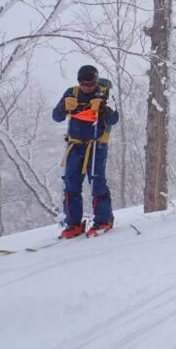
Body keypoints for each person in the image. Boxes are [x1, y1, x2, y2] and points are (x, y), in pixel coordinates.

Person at [52, 65, 119, 238]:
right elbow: (56, 117)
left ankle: (104, 219)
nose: (87, 87)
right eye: (83, 84)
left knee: (97, 182)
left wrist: (104, 108)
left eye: (90, 84)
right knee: (71, 183)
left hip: (96, 145)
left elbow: (114, 118)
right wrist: (64, 107)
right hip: (74, 145)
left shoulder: (105, 94)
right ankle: (73, 223)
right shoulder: (71, 93)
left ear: (96, 82)